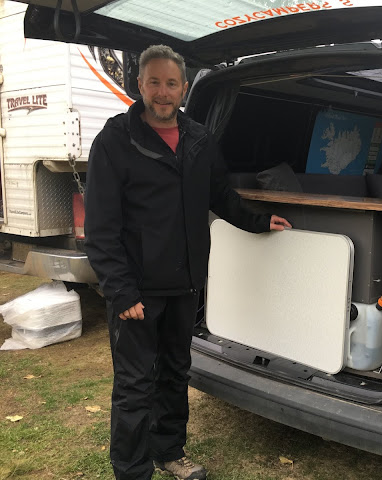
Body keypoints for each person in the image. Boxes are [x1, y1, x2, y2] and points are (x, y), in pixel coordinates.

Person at [84, 45, 291, 480]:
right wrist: (120, 290)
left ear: (183, 88)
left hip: (184, 285)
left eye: (171, 83)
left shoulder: (199, 139)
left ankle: (169, 451)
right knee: (135, 385)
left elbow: (221, 196)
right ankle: (132, 470)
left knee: (176, 374)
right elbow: (100, 227)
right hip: (137, 291)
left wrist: (259, 221)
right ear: (139, 85)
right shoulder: (115, 141)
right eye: (154, 82)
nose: (163, 92)